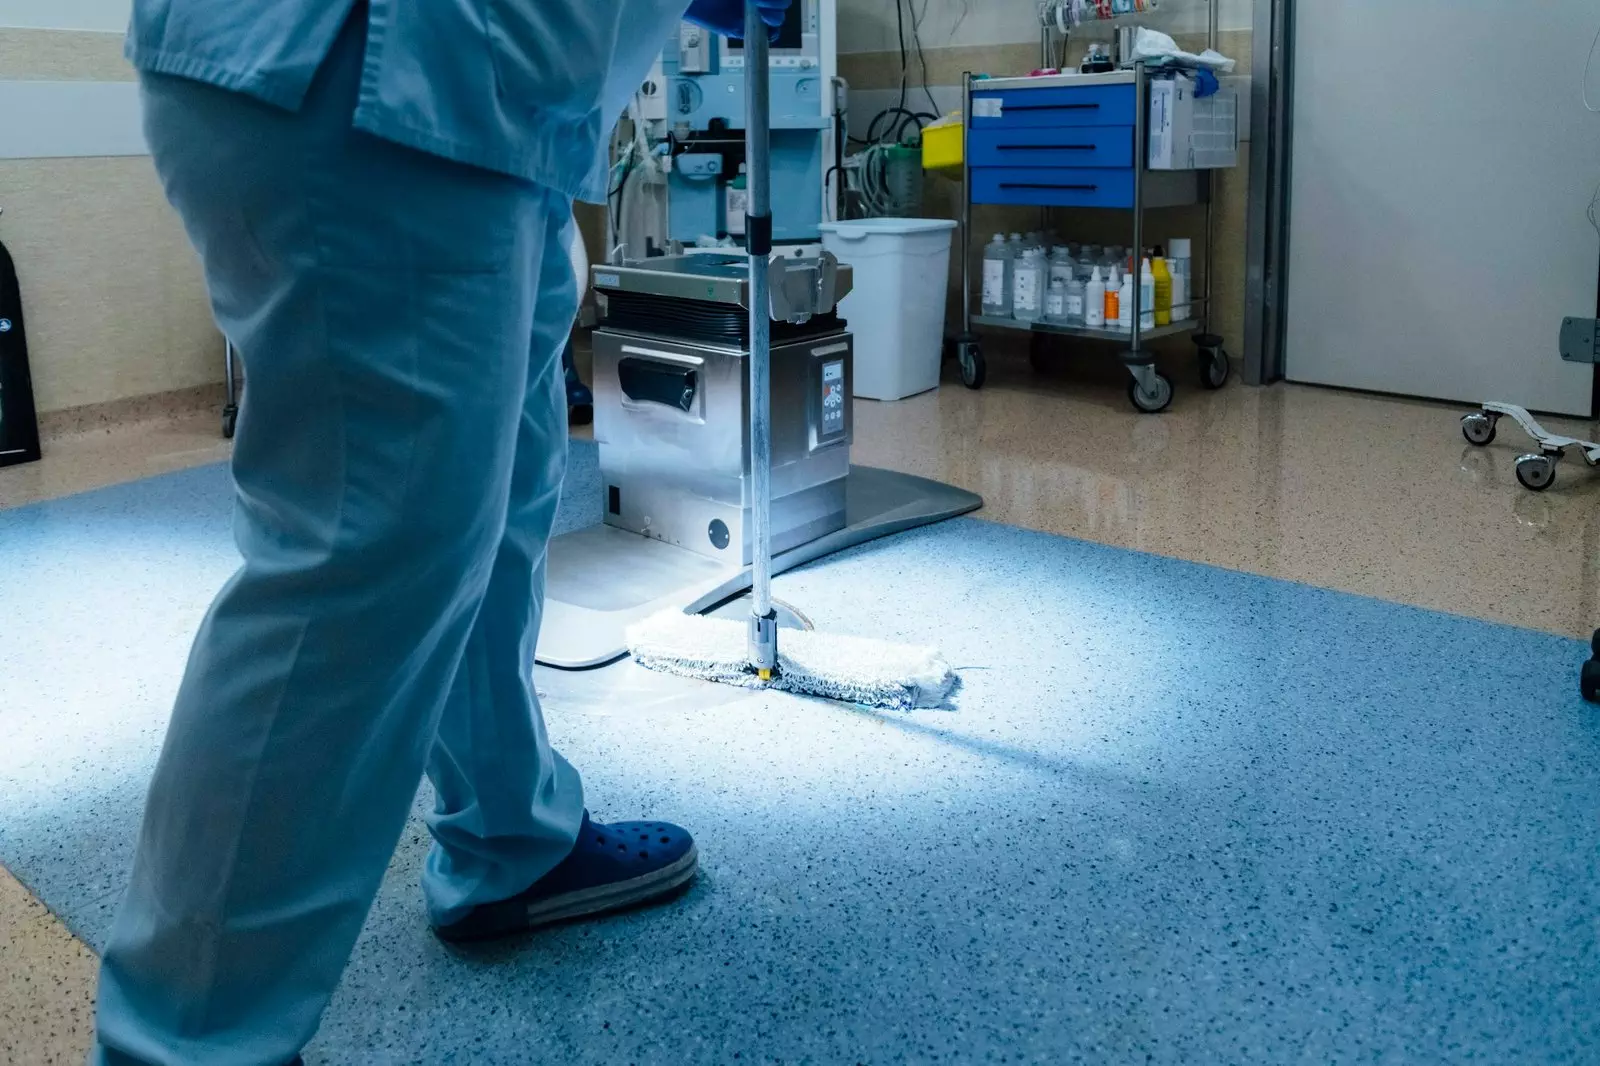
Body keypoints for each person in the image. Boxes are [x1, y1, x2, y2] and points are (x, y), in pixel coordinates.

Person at [93, 0, 790, 1063]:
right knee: (365, 553)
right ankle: (184, 1045)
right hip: (381, 67)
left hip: (487, 99)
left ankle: (510, 836)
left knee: (495, 495)